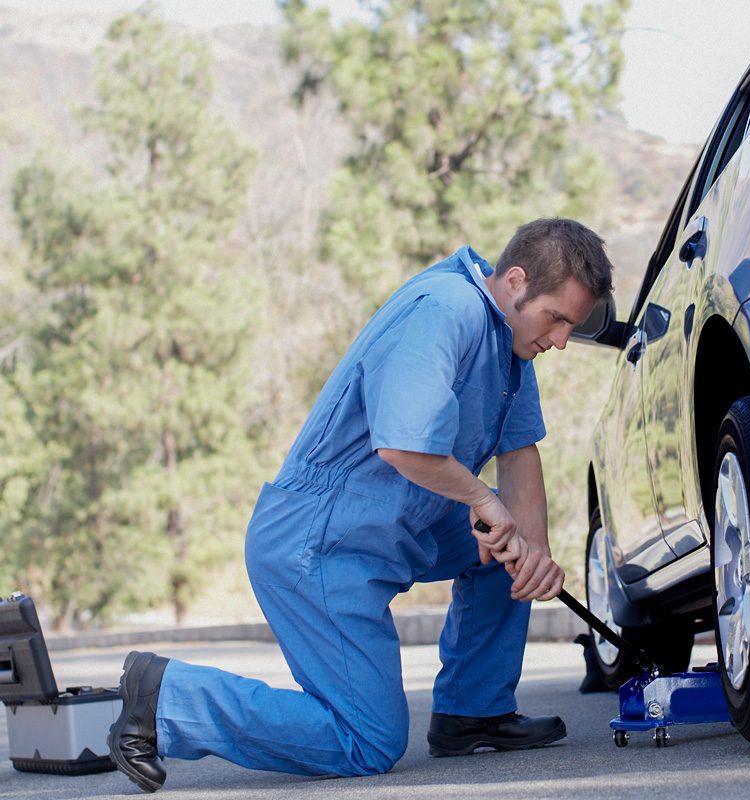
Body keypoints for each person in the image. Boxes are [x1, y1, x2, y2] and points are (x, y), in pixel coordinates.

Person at [107, 218, 614, 793]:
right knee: (367, 741)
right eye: (558, 318)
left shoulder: (512, 345)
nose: (563, 340)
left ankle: (473, 712)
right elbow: (402, 444)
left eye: (572, 324)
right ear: (516, 281)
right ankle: (167, 697)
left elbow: (519, 452)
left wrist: (535, 552)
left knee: (510, 545)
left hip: (399, 519)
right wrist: (478, 498)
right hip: (320, 540)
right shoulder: (446, 308)